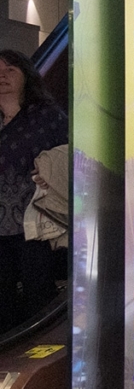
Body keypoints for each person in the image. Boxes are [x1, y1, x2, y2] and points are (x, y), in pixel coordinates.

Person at [0, 49, 68, 333]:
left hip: (35, 221)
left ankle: (43, 366)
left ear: (26, 76)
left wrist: (51, 172)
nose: (2, 77)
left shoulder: (46, 116)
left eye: (10, 70)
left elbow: (74, 154)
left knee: (37, 292)